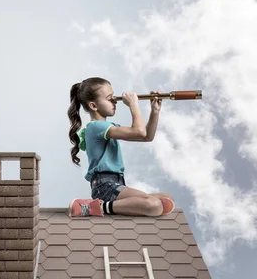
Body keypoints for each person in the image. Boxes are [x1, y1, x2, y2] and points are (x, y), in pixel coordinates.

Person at [66, 77, 175, 217]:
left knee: (166, 198)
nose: (115, 101)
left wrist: (155, 111)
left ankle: (114, 205)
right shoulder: (96, 127)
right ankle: (94, 207)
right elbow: (139, 131)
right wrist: (133, 105)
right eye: (109, 98)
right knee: (154, 205)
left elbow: (146, 136)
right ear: (94, 106)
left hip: (116, 182)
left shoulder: (106, 127)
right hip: (105, 185)